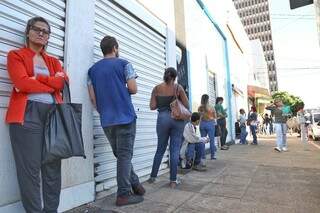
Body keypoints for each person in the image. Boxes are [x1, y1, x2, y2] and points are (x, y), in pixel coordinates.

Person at [6, 17, 68, 212]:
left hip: (54, 116)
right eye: (37, 29)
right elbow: (22, 83)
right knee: (29, 171)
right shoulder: (15, 55)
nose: (42, 33)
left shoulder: (54, 61)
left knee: (52, 169)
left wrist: (38, 78)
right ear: (28, 32)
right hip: (27, 114)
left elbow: (61, 84)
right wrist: (49, 82)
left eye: (46, 31)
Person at [87, 36, 145, 206]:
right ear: (115, 48)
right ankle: (123, 195)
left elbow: (92, 97)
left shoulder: (92, 70)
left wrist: (104, 111)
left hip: (107, 120)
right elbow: (133, 88)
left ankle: (135, 184)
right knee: (124, 156)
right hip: (125, 116)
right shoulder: (124, 64)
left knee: (121, 156)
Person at [148, 67, 189, 188]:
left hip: (162, 119)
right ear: (175, 77)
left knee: (160, 148)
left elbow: (152, 106)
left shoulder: (156, 88)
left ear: (164, 75)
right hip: (177, 119)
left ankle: (153, 177)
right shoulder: (178, 88)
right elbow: (186, 105)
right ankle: (173, 181)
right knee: (175, 149)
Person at [198, 94, 217, 160]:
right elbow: (215, 116)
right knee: (212, 140)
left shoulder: (200, 107)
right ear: (208, 99)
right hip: (210, 124)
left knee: (202, 140)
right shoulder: (211, 107)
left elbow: (199, 116)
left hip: (202, 124)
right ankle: (212, 156)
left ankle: (202, 156)